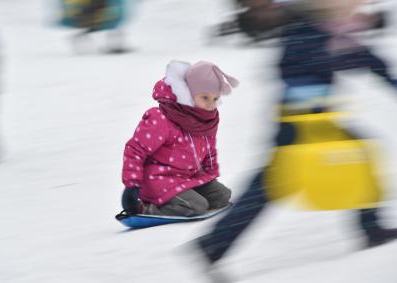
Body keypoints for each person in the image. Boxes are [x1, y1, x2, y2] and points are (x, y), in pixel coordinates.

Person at [192, 0, 397, 269]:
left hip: (316, 116)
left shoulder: (326, 29)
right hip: (298, 119)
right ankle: (214, 244)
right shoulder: (306, 28)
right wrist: (339, 53)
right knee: (272, 183)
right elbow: (306, 61)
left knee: (356, 156)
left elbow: (367, 59)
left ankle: (371, 227)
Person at [120, 60, 239, 217]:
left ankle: (184, 199)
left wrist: (211, 176)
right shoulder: (162, 118)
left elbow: (209, 149)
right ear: (189, 93)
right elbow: (135, 150)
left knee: (222, 196)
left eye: (215, 99)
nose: (211, 105)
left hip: (188, 178)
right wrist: (132, 185)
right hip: (158, 180)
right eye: (205, 97)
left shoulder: (206, 120)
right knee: (196, 206)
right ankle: (147, 209)